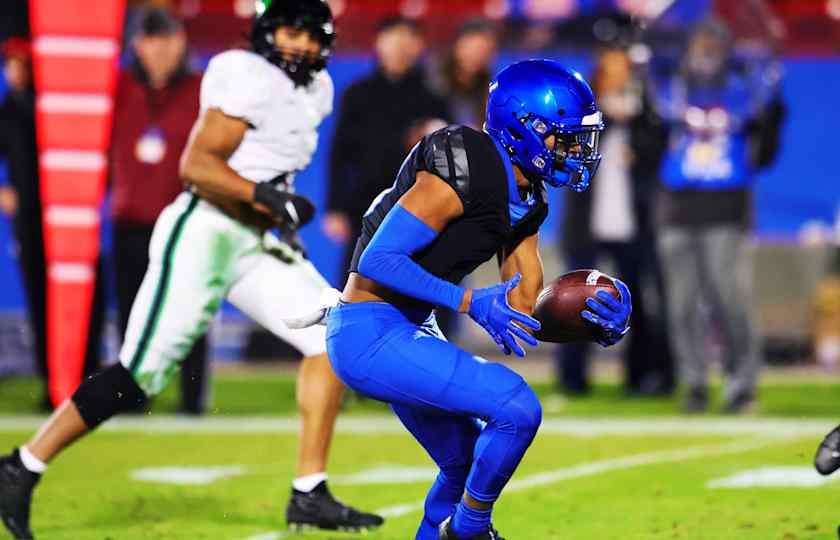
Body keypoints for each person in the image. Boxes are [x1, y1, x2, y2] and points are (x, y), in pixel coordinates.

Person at [0, 2, 382, 538]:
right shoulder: (242, 72)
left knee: (332, 339)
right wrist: (265, 195)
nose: (300, 45)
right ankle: (23, 465)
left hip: (254, 240)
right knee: (140, 374)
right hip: (204, 230)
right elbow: (197, 165)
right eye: (290, 31)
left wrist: (275, 207)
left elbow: (269, 160)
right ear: (268, 32)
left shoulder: (318, 90)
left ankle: (309, 491)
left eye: (310, 36)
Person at [325, 60, 632, 539]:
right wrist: (468, 302)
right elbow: (378, 261)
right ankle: (468, 531)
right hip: (369, 328)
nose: (576, 151)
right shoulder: (464, 162)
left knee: (465, 461)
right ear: (525, 128)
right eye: (565, 137)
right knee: (517, 408)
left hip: (408, 328)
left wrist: (593, 320)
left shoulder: (528, 199)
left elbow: (522, 312)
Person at [652, 19, 784, 413]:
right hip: (676, 206)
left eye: (713, 45)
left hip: (727, 206)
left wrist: (773, 112)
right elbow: (651, 136)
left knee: (732, 301)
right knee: (681, 305)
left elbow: (764, 149)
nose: (705, 52)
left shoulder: (747, 91)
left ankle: (742, 385)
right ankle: (693, 382)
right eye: (700, 44)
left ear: (726, 51)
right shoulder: (669, 89)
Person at [557, 47, 674, 395]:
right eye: (611, 69)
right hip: (587, 228)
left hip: (632, 226)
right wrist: (608, 119)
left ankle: (639, 377)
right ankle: (573, 379)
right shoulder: (582, 116)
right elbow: (566, 155)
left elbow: (659, 147)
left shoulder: (646, 116)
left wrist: (634, 128)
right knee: (576, 303)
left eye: (623, 69)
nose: (619, 76)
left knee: (636, 302)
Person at [109, 8, 208, 414]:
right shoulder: (118, 87)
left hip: (186, 219)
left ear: (181, 43)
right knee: (134, 315)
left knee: (193, 314)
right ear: (137, 44)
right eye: (152, 40)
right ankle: (133, 400)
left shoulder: (203, 89)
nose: (161, 50)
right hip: (131, 217)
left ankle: (193, 401)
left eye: (168, 40)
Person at [0, 37, 105, 408]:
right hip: (30, 220)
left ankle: (89, 378)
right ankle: (52, 383)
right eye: (9, 64)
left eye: (19, 64)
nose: (12, 71)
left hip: (69, 215)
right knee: (41, 300)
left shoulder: (54, 106)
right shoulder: (9, 109)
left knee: (82, 296)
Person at [324, 16, 449, 286]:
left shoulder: (433, 98)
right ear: (379, 44)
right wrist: (335, 207)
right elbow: (339, 153)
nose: (400, 48)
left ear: (419, 46)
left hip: (416, 205)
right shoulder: (357, 94)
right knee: (355, 279)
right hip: (365, 202)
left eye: (407, 41)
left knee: (412, 282)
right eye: (393, 40)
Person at [428, 18, 498, 130]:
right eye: (474, 48)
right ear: (458, 45)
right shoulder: (434, 81)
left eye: (485, 51)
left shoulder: (490, 88)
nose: (478, 56)